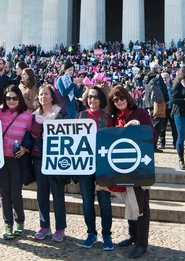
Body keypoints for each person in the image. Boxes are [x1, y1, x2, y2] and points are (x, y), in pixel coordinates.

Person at [108, 85, 154, 259]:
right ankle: (133, 236)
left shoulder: (140, 113)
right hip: (123, 165)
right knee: (130, 200)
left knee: (141, 204)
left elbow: (152, 135)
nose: (119, 102)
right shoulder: (114, 117)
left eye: (121, 98)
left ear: (127, 97)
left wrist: (137, 128)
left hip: (140, 165)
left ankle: (142, 243)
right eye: (115, 100)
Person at [76, 86, 115, 251]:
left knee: (105, 202)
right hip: (84, 166)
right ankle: (91, 233)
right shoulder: (80, 117)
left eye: (96, 97)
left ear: (101, 99)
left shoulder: (108, 118)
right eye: (90, 97)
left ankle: (107, 234)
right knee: (87, 203)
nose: (92, 100)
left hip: (102, 166)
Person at [30, 84, 68, 243]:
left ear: (52, 96)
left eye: (46, 94)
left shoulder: (60, 115)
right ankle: (44, 225)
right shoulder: (34, 116)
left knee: (58, 193)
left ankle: (60, 228)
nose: (43, 97)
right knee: (42, 193)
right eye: (40, 94)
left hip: (56, 159)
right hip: (39, 158)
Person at [0, 85, 33, 239]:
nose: (11, 101)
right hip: (1, 158)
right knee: (4, 192)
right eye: (8, 97)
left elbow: (30, 137)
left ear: (20, 99)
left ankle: (20, 221)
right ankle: (8, 223)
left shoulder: (27, 115)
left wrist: (25, 148)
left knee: (16, 192)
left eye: (14, 98)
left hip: (17, 159)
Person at [143, 62, 169, 153]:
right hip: (157, 103)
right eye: (159, 68)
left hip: (148, 104)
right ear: (156, 69)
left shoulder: (146, 78)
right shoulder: (158, 77)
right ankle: (153, 145)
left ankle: (150, 143)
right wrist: (166, 100)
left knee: (152, 124)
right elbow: (164, 90)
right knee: (157, 125)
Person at [160, 72, 177, 149]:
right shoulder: (159, 87)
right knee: (162, 127)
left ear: (169, 78)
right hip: (163, 109)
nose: (164, 79)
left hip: (173, 108)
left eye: (166, 77)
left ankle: (175, 143)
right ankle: (162, 143)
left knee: (174, 127)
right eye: (163, 78)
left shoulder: (173, 86)